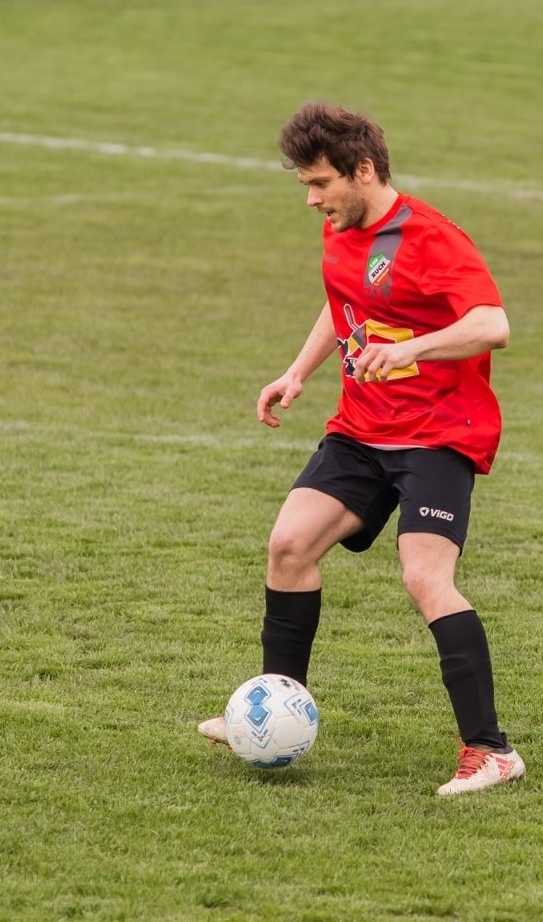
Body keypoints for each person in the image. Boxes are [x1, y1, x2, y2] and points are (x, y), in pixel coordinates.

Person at [198, 102, 525, 796]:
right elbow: (342, 302)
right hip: (361, 427)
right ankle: (269, 714)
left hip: (438, 433)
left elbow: (492, 325)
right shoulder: (341, 230)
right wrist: (297, 371)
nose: (313, 199)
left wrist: (411, 347)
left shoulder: (432, 238)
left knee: (424, 578)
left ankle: (490, 750)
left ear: (364, 171)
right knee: (289, 546)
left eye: (320, 184)